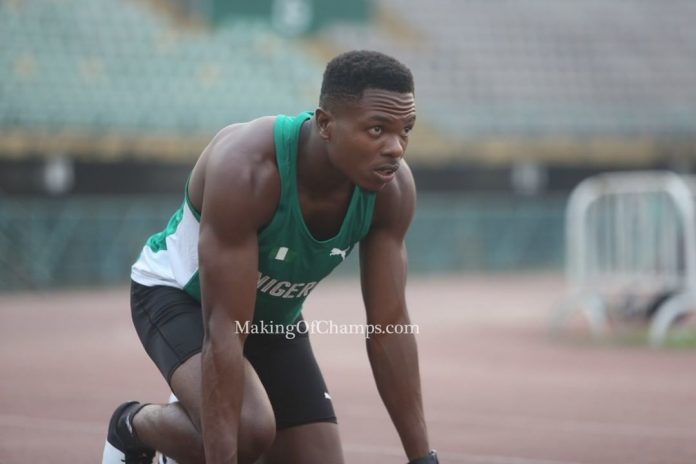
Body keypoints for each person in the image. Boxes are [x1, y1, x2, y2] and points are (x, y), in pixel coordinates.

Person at [101, 49, 438, 464]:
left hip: (272, 318)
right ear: (325, 124)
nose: (396, 148)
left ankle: (195, 429)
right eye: (377, 129)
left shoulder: (393, 190)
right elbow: (224, 329)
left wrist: (423, 458)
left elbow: (389, 326)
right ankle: (132, 426)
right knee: (245, 431)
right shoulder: (248, 169)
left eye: (406, 130)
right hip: (182, 296)